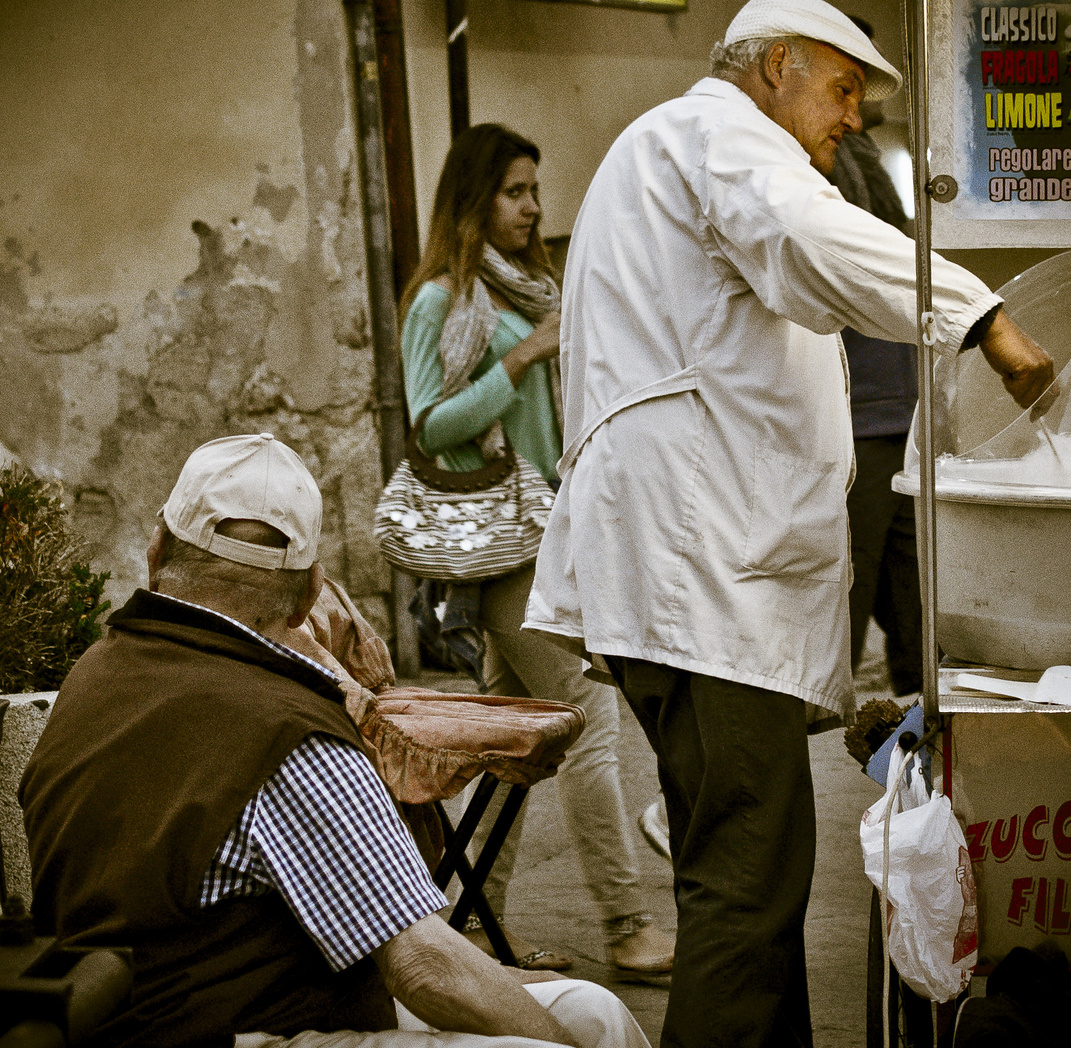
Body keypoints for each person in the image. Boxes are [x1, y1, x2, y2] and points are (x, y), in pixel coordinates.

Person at [523, 0, 1055, 1048]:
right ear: (772, 68)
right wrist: (979, 318)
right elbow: (818, 238)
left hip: (687, 575)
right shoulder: (719, 137)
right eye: (841, 87)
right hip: (698, 574)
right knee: (745, 885)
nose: (851, 118)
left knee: (754, 873)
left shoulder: (671, 150)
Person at [19, 433, 650, 1047]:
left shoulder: (94, 675)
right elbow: (425, 969)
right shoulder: (291, 737)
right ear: (309, 597)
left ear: (156, 551)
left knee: (592, 1011)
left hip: (106, 1015)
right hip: (238, 1032)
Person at [397, 123, 673, 978]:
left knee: (508, 749)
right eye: (515, 192)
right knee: (586, 720)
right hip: (507, 546)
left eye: (535, 192)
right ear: (476, 201)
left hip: (561, 530)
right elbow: (429, 424)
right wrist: (519, 359)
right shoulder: (442, 301)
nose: (532, 208)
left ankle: (465, 928)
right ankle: (628, 924)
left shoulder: (537, 290)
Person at [829, 15, 924, 690]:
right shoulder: (832, 161)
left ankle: (905, 766)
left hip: (876, 411)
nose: (856, 114)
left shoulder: (848, 157)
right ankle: (911, 763)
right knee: (909, 616)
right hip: (876, 411)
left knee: (882, 607)